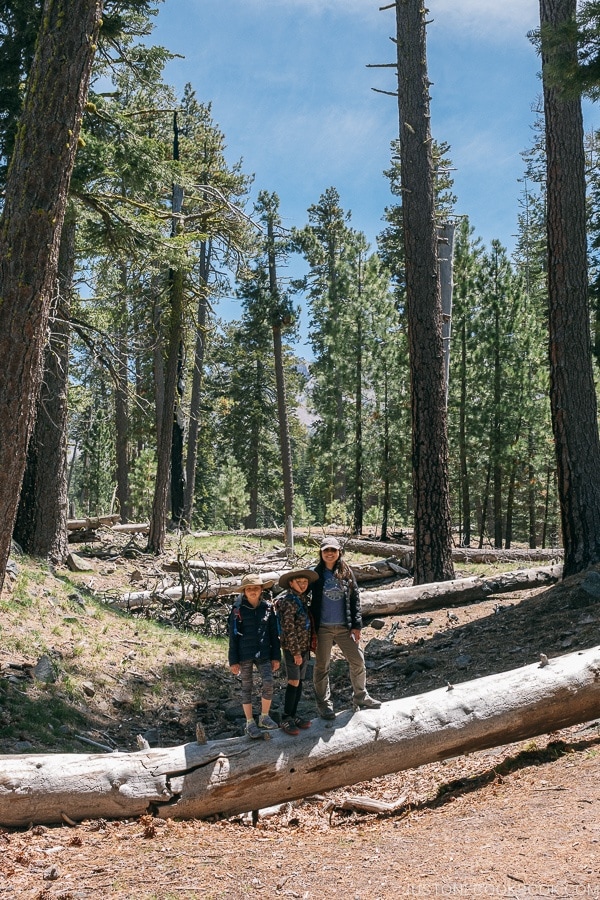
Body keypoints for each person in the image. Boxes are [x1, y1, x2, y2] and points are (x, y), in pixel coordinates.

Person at [311, 536, 381, 719]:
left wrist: (356, 626)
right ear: (321, 553)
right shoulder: (315, 575)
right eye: (326, 550)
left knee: (358, 661)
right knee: (321, 666)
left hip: (345, 627)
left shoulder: (346, 572)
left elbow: (354, 599)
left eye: (333, 550)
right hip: (322, 628)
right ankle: (324, 705)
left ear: (339, 552)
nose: (330, 553)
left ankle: (360, 696)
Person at [228, 573, 281, 738]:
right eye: (249, 588)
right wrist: (233, 660)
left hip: (264, 653)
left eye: (256, 588)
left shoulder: (267, 608)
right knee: (247, 687)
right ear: (244, 591)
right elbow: (233, 637)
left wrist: (276, 656)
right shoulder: (237, 610)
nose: (252, 591)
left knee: (268, 682)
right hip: (244, 654)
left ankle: (264, 717)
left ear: (261, 590)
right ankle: (250, 722)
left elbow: (274, 633)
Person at [276, 567, 319, 736]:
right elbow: (288, 629)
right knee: (294, 681)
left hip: (303, 648)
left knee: (299, 680)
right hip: (293, 649)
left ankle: (293, 715)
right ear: (291, 583)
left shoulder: (301, 599)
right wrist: (295, 653)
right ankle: (286, 717)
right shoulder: (288, 601)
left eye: (305, 582)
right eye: (299, 582)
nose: (303, 584)